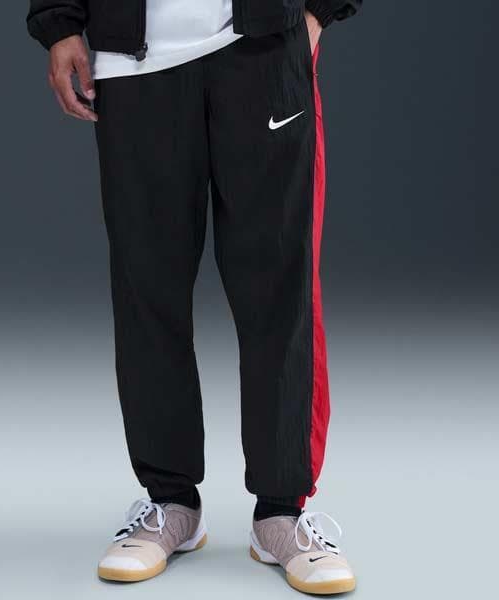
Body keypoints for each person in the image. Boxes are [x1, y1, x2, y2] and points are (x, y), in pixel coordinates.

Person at [27, 0, 362, 594]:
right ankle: (171, 504)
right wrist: (59, 22)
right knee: (146, 286)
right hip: (134, 64)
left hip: (261, 50)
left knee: (280, 286)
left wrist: (317, 13)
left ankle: (281, 513)